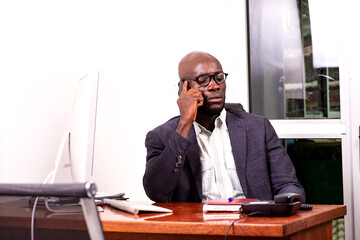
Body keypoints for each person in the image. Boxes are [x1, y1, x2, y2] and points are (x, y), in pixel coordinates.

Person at [143, 51, 305, 203]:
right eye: (203, 79)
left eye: (219, 77)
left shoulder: (258, 128)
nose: (214, 86)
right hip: (199, 227)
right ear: (183, 88)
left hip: (254, 222)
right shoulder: (161, 136)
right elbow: (157, 192)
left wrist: (288, 204)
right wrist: (184, 124)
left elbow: (287, 184)